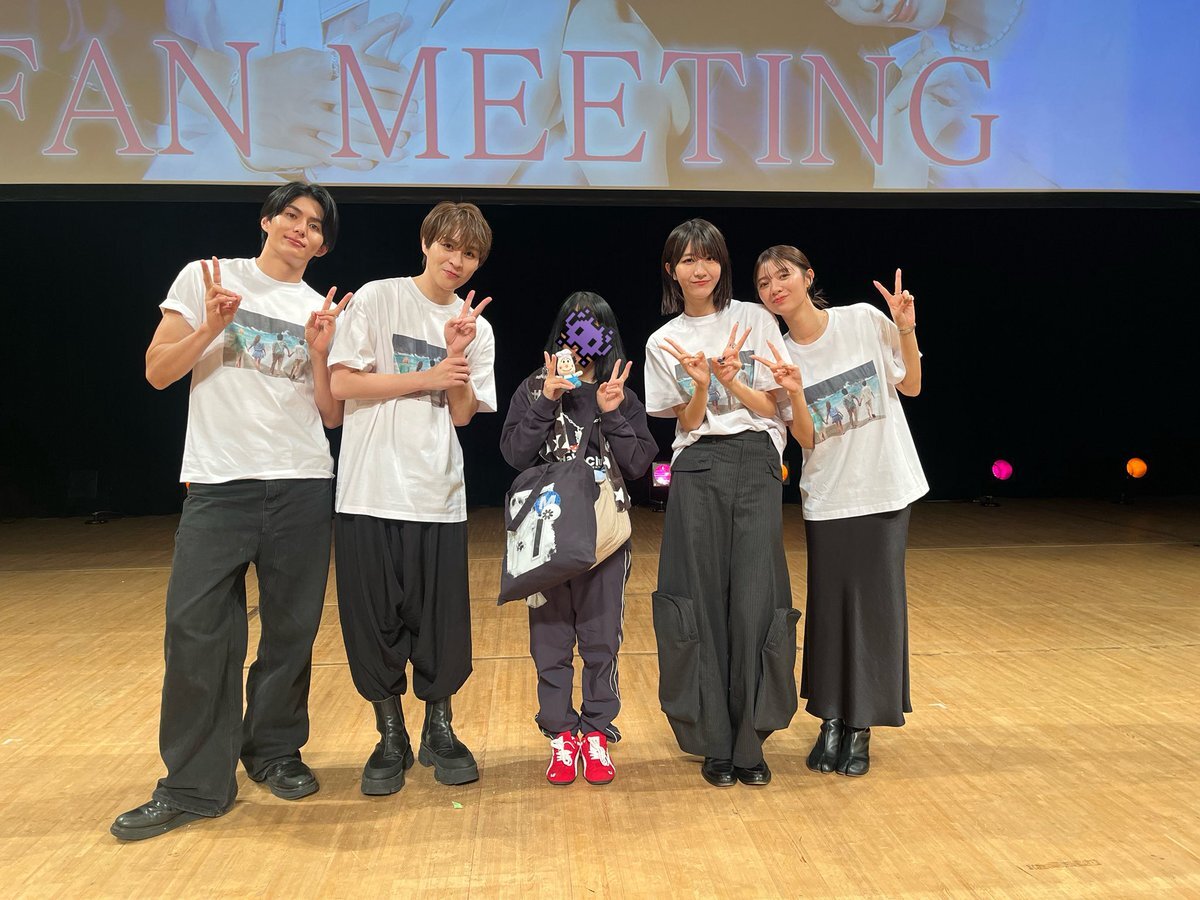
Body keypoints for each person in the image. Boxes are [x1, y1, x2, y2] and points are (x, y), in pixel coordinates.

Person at [111, 181, 348, 841]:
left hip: (302, 482)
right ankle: (193, 784)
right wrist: (212, 328)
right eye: (291, 215)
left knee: (291, 632)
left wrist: (322, 352)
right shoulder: (208, 277)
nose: (301, 229)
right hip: (220, 484)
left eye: (315, 225)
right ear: (267, 220)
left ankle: (273, 750)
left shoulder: (320, 308)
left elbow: (331, 415)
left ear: (322, 245)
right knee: (196, 633)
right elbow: (158, 370)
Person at [327, 201, 496, 794]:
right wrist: (428, 375)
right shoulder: (380, 297)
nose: (457, 260)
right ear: (426, 242)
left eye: (469, 253)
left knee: (440, 622)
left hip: (437, 492)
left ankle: (439, 729)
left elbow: (463, 414)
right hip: (368, 490)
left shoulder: (477, 326)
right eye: (448, 246)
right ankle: (390, 733)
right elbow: (341, 381)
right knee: (373, 620)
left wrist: (458, 356)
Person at [752, 244, 927, 777]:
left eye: (783, 275)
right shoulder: (779, 354)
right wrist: (794, 390)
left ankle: (861, 726)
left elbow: (912, 385)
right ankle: (830, 718)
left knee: (877, 609)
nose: (775, 287)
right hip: (828, 495)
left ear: (808, 277)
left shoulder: (862, 320)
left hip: (884, 488)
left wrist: (906, 328)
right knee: (828, 610)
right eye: (763, 283)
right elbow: (805, 438)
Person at [642, 218, 799, 788]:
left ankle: (750, 742)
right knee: (701, 599)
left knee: (756, 598)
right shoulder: (663, 341)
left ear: (721, 263)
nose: (699, 268)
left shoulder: (754, 318)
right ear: (671, 270)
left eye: (708, 257)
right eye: (687, 259)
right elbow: (686, 422)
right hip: (698, 465)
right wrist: (703, 386)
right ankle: (715, 741)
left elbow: (776, 406)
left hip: (756, 461)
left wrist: (732, 382)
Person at [499, 292, 657, 786]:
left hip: (604, 536)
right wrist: (547, 401)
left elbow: (639, 464)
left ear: (607, 336)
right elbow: (514, 453)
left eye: (594, 328)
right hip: (546, 532)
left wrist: (612, 413)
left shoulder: (619, 392)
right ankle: (561, 734)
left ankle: (595, 731)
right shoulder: (535, 387)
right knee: (549, 642)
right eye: (575, 326)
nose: (583, 338)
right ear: (561, 332)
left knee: (601, 639)